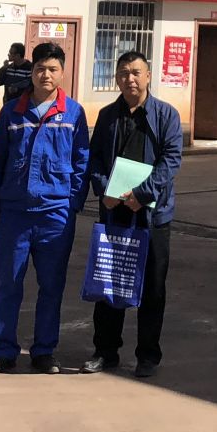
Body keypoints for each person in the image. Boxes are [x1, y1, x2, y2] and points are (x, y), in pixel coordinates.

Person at [0, 42, 90, 376]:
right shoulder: (12, 111)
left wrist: (72, 202)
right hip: (15, 213)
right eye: (40, 68)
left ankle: (44, 351)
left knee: (51, 286)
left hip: (56, 215)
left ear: (62, 72)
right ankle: (3, 351)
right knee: (9, 283)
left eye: (53, 69)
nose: (46, 75)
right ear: (32, 71)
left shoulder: (73, 113)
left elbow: (82, 161)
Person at [82, 50, 183, 379]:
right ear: (116, 78)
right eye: (124, 73)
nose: (130, 79)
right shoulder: (108, 116)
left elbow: (171, 160)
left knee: (152, 288)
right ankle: (105, 351)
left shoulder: (166, 115)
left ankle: (148, 355)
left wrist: (143, 194)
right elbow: (95, 158)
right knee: (109, 282)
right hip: (114, 212)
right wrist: (104, 190)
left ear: (148, 76)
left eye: (136, 72)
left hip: (152, 216)